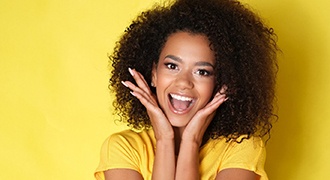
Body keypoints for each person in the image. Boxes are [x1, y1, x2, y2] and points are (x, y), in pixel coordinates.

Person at [95, 0, 278, 179]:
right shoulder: (123, 147)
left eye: (202, 71)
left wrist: (191, 142)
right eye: (172, 66)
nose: (184, 82)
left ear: (221, 81)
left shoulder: (242, 148)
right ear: (154, 74)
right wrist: (164, 140)